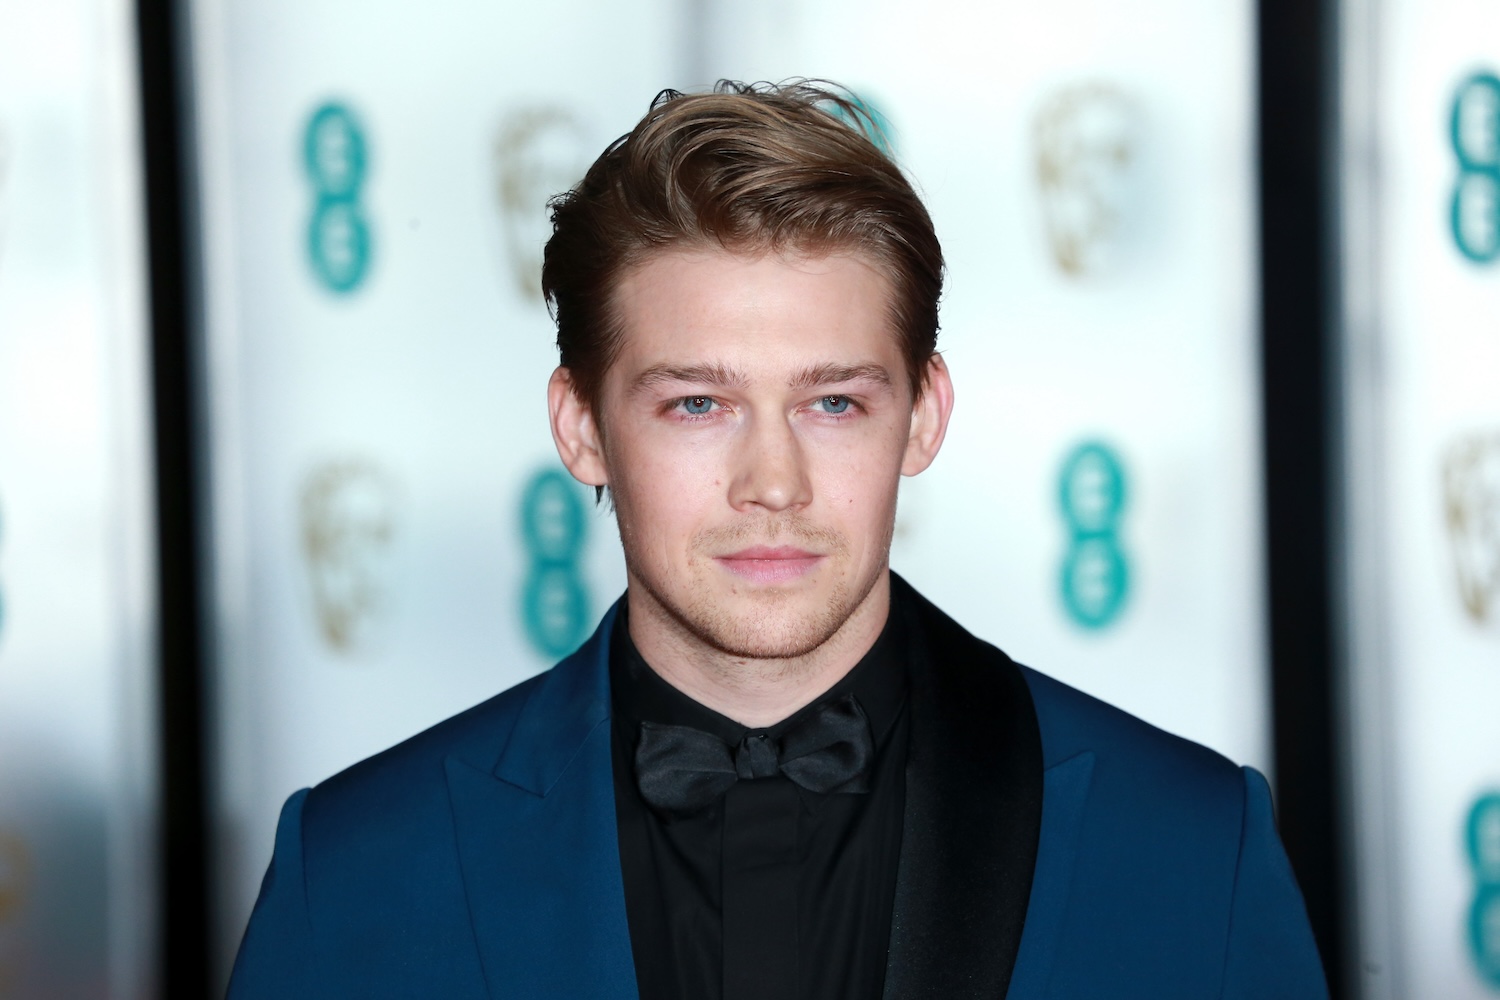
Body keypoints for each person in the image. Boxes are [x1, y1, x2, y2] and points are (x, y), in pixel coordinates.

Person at [227, 81, 1328, 999]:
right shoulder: (361, 866)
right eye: (698, 404)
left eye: (834, 403)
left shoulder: (1191, 847)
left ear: (925, 415)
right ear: (581, 427)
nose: (772, 484)